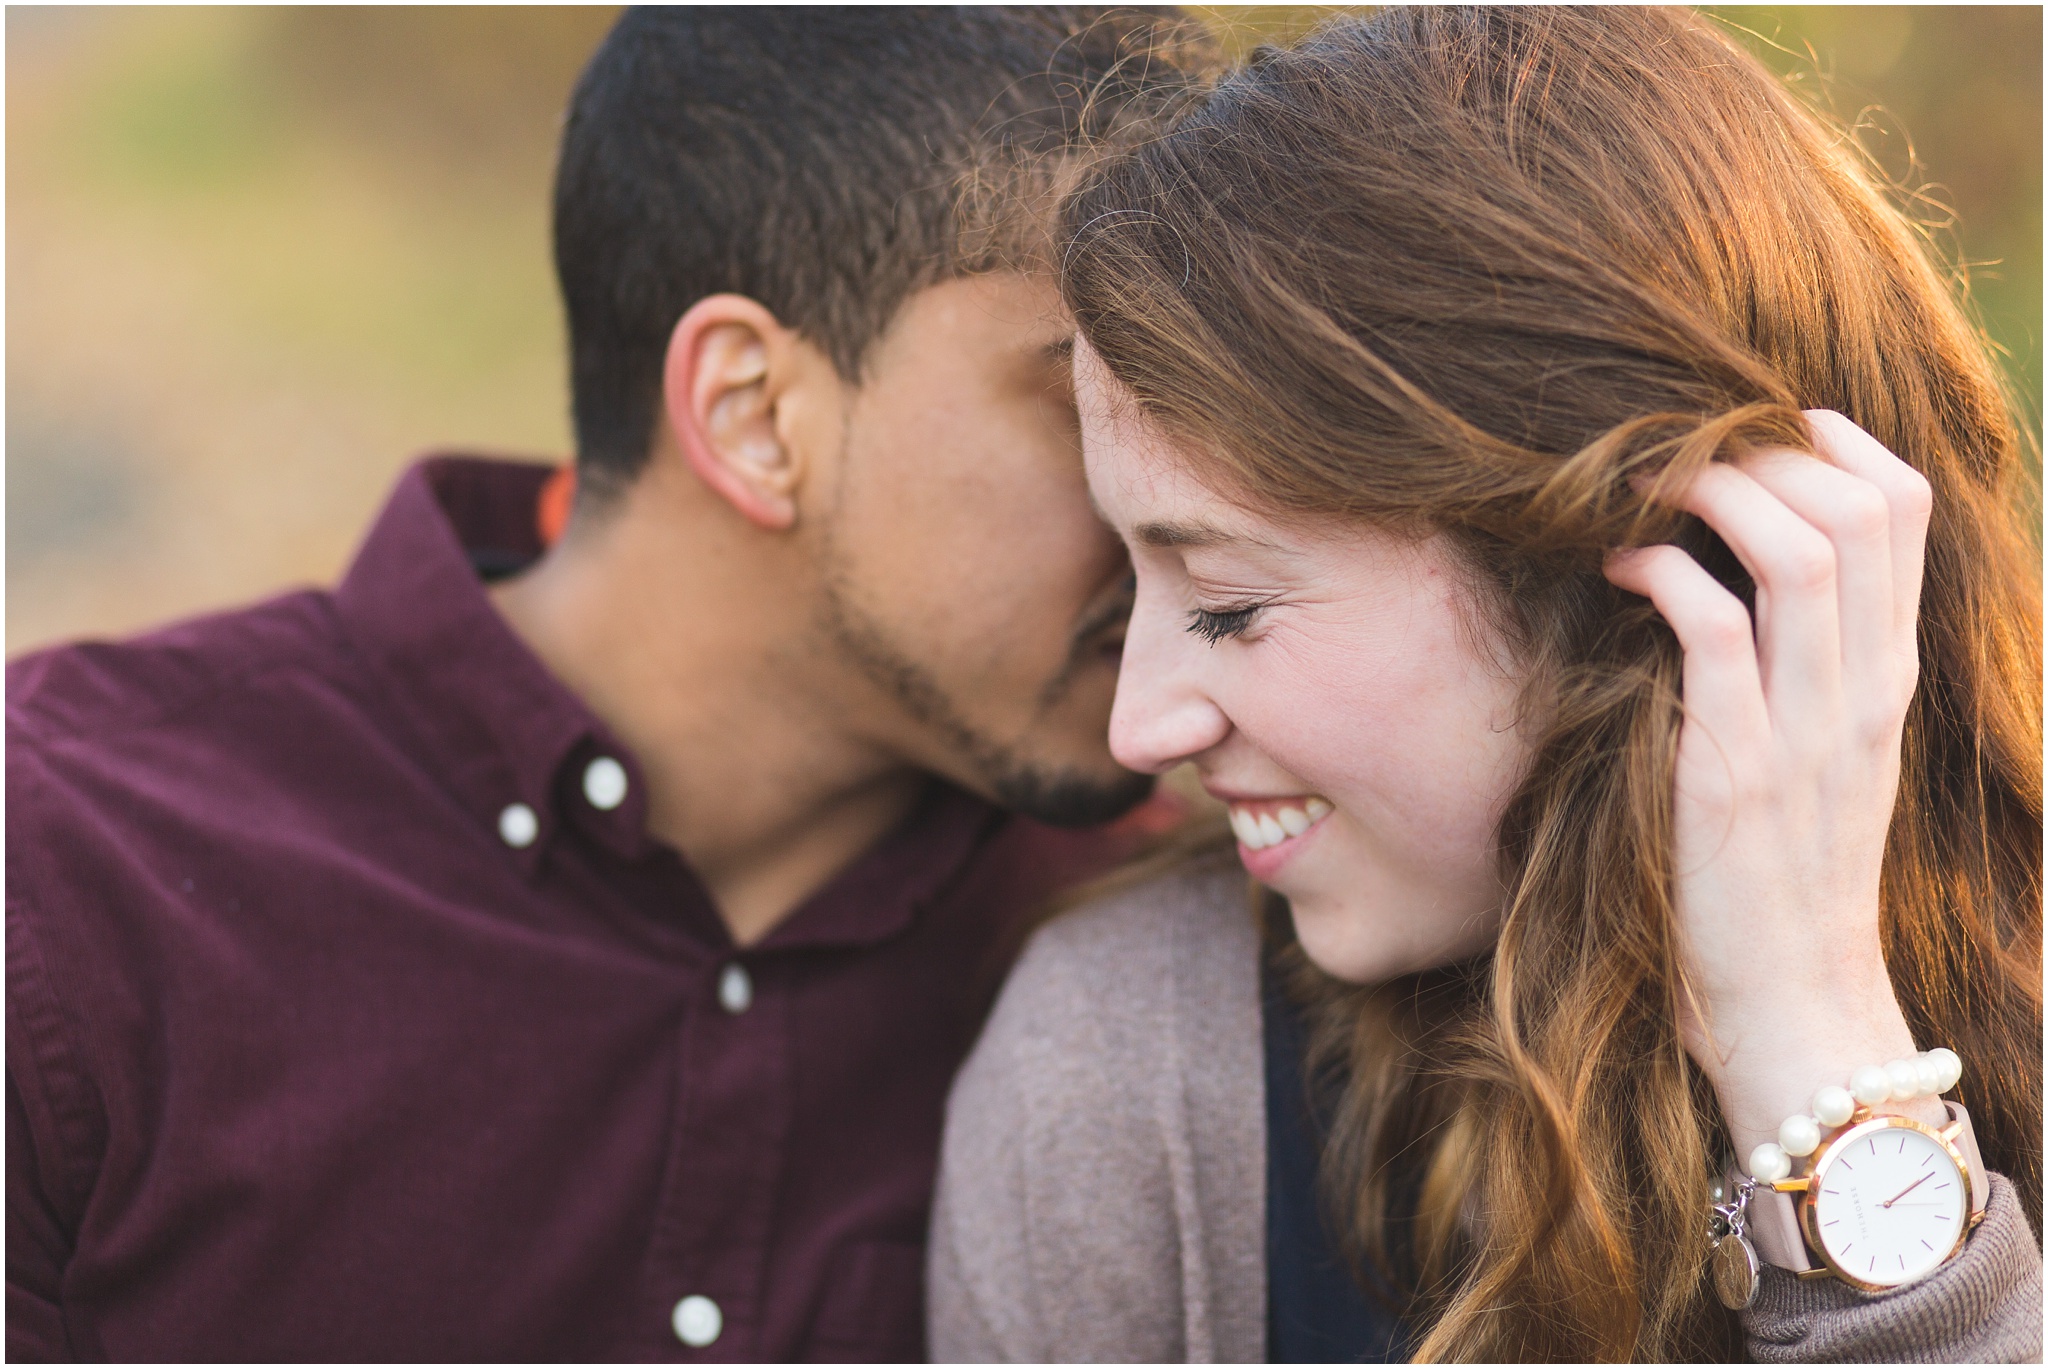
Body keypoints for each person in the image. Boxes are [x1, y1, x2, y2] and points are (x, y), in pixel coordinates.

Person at [6, 9, 1211, 1360]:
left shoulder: (1178, 946)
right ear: (753, 413)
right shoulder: (59, 883)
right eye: (1094, 401)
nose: (1188, 508)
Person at [930, 8, 2042, 1362]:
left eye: (1227, 605)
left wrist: (1812, 1047)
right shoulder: (1125, 1078)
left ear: (1634, 568)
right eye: (1129, 591)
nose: (1139, 725)